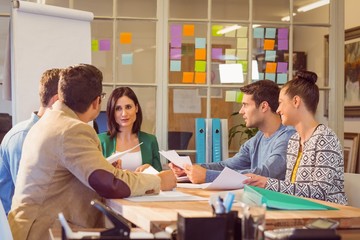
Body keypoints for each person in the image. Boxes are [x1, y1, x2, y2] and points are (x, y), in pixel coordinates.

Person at [8, 64, 177, 240]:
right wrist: (158, 181)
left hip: (28, 226)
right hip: (45, 232)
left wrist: (102, 166)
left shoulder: (49, 120)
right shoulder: (72, 129)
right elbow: (110, 185)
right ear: (97, 101)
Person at [244, 71, 348, 205]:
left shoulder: (325, 138)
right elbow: (291, 189)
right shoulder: (294, 140)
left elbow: (320, 193)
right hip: (301, 210)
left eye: (281, 103)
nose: (278, 110)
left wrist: (267, 183)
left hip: (330, 217)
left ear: (296, 101)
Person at [169, 80, 296, 184]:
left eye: (245, 105)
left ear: (264, 106)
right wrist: (190, 168)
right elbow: (228, 165)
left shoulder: (288, 137)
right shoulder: (257, 139)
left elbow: (263, 173)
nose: (241, 111)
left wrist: (208, 176)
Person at [0, 68, 61, 216]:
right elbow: (27, 197)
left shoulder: (44, 134)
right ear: (57, 100)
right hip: (14, 228)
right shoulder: (25, 136)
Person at [98, 87, 162, 172]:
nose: (124, 113)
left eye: (128, 107)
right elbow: (93, 178)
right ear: (112, 112)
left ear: (136, 108)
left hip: (144, 186)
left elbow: (161, 178)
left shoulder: (150, 140)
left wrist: (150, 169)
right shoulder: (100, 141)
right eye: (118, 108)